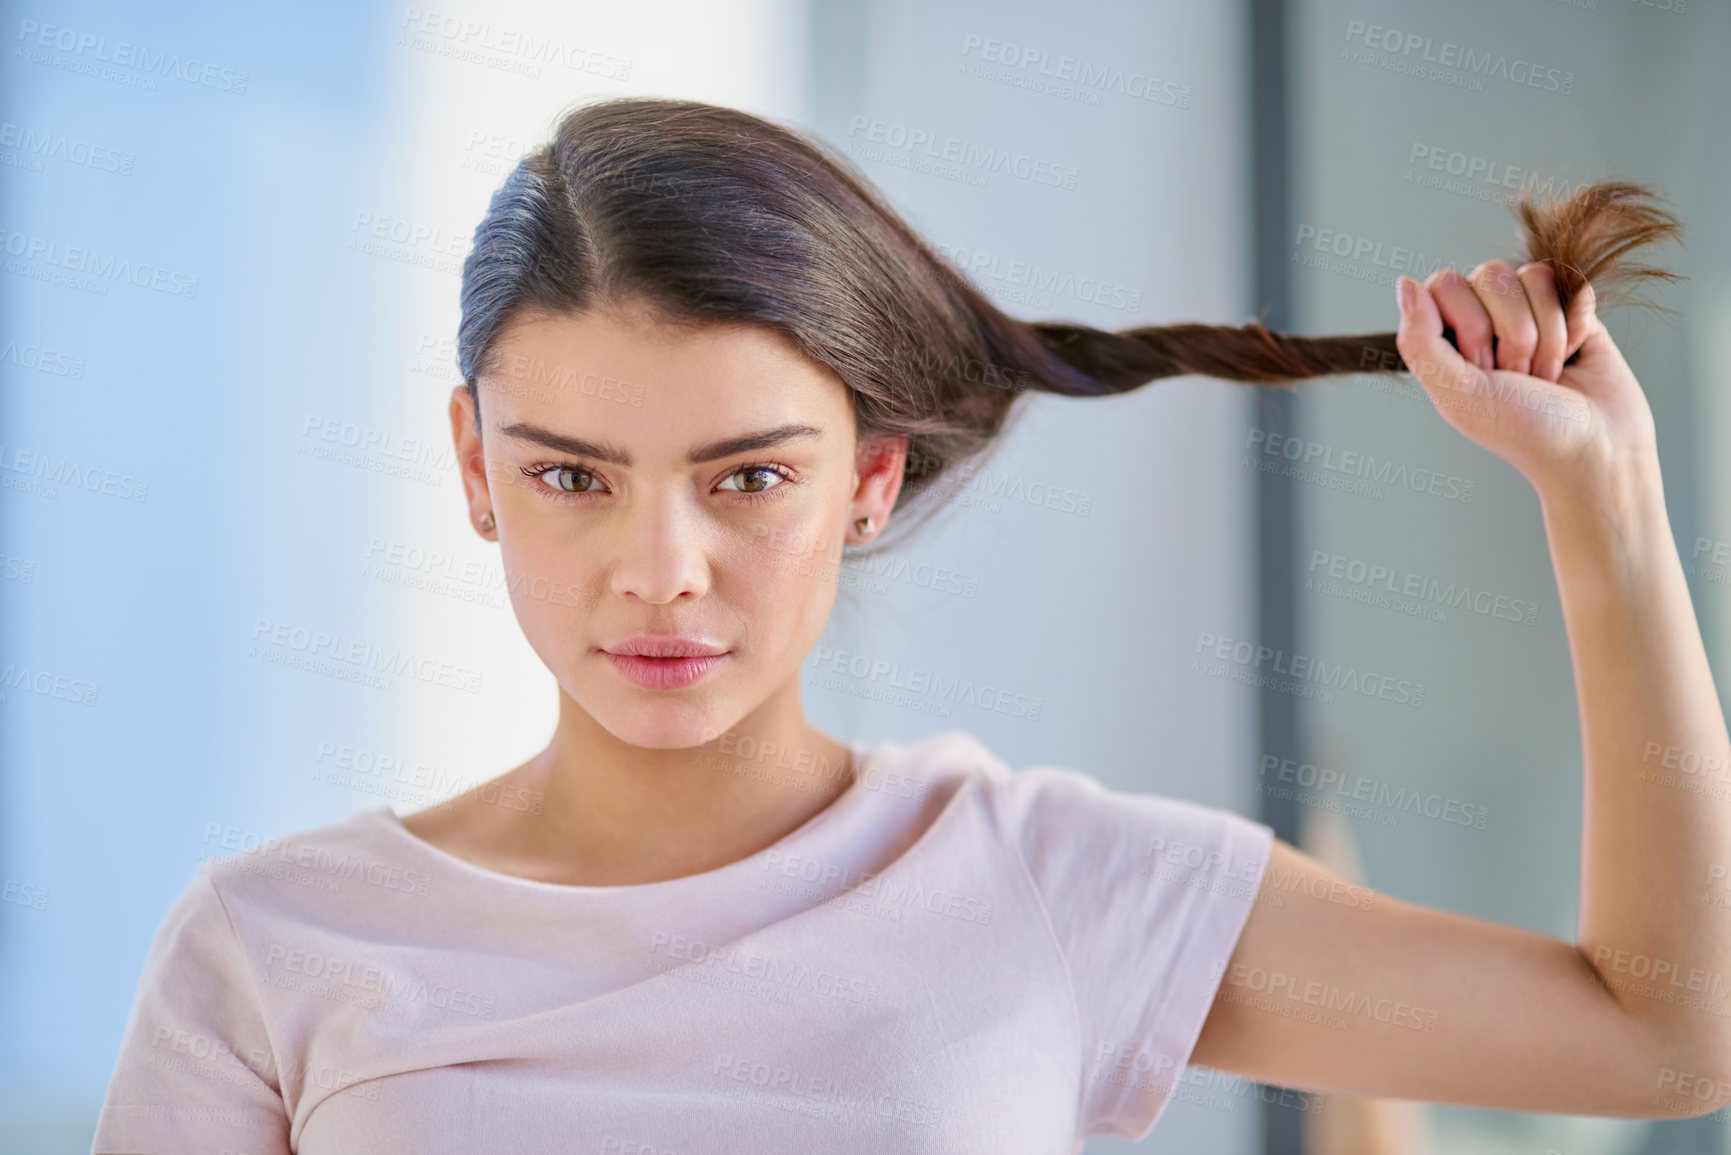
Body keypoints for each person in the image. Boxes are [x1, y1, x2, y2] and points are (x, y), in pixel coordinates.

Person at [92, 97, 1731, 1153]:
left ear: (868, 480)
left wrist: (1610, 502)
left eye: (746, 476)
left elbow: (1662, 1035)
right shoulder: (274, 952)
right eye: (574, 476)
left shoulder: (1045, 880)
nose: (660, 570)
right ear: (475, 468)